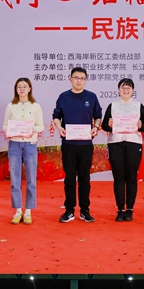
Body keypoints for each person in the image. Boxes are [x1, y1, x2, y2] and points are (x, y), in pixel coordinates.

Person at [52, 68, 102, 223]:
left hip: (86, 144)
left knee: (84, 178)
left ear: (85, 80)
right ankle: (69, 210)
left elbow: (98, 116)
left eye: (82, 78)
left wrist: (96, 127)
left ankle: (85, 211)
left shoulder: (91, 97)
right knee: (69, 178)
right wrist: (59, 127)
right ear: (70, 79)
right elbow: (56, 116)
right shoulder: (63, 97)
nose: (79, 81)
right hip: (69, 144)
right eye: (76, 77)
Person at [101, 78, 144, 222]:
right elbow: (104, 125)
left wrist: (141, 125)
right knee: (119, 177)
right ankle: (120, 209)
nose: (125, 90)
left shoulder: (139, 106)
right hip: (116, 143)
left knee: (131, 177)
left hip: (133, 144)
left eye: (128, 88)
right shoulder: (112, 106)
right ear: (118, 90)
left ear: (133, 90)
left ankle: (130, 209)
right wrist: (109, 125)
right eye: (123, 87)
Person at [3, 78, 44, 225]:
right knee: (15, 179)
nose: (21, 89)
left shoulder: (36, 106)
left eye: (24, 86)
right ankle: (18, 211)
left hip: (30, 144)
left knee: (31, 178)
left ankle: (28, 211)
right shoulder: (11, 106)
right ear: (16, 89)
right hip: (14, 144)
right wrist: (10, 131)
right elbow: (5, 125)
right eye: (19, 87)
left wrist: (32, 129)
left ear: (30, 89)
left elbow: (41, 126)